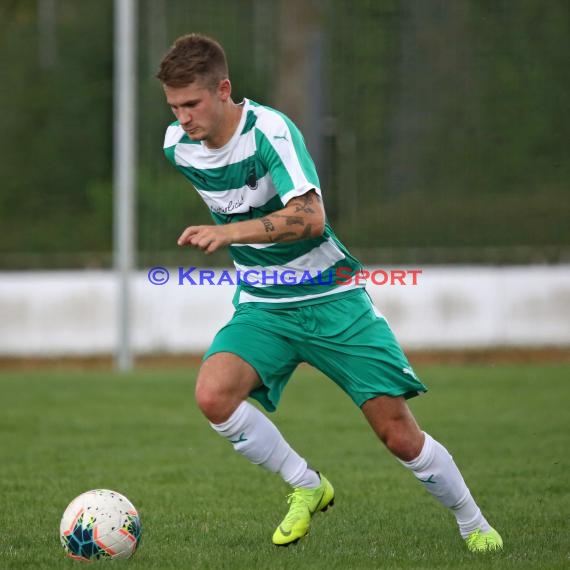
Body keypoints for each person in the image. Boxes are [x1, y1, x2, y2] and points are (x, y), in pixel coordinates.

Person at [156, 33, 503, 553]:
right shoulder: (177, 147)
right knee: (213, 395)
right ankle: (307, 485)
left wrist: (231, 232)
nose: (182, 117)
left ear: (223, 89)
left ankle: (474, 524)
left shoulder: (270, 131)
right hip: (264, 305)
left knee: (397, 434)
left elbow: (312, 219)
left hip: (332, 300)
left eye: (192, 103)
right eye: (174, 106)